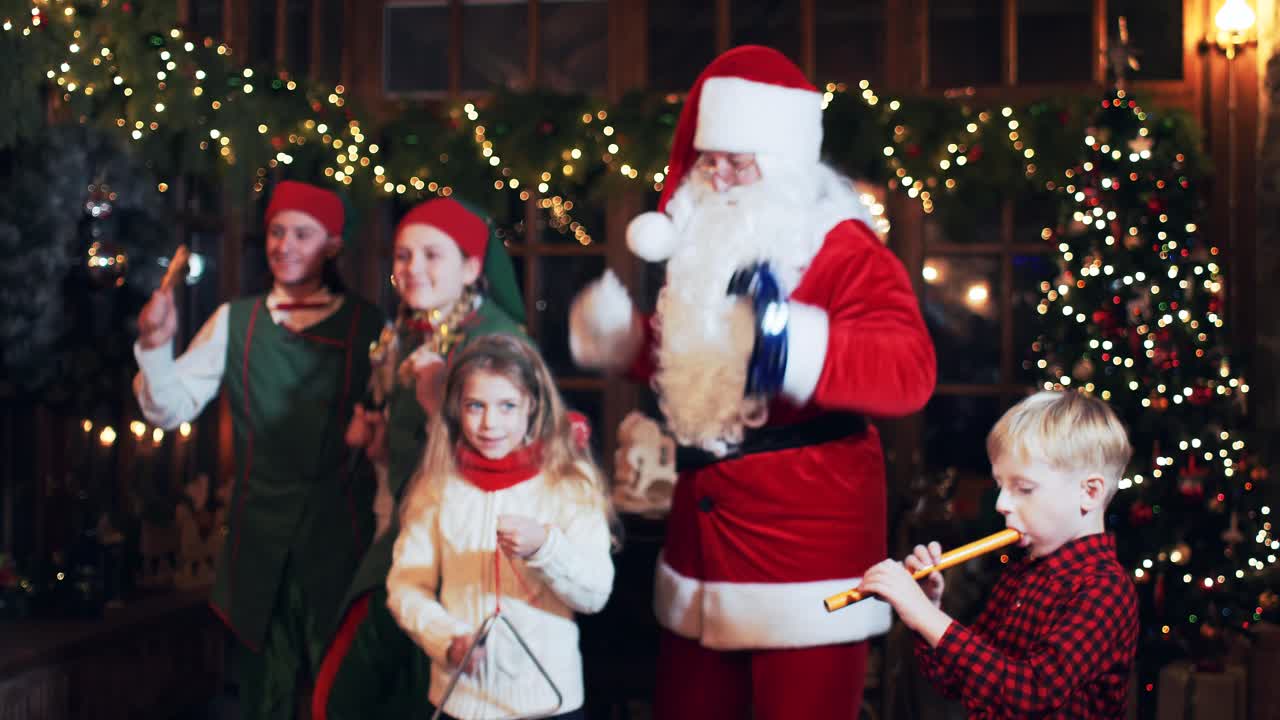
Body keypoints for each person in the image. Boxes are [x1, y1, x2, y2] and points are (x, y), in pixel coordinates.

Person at [569, 45, 937, 718]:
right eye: (712, 160)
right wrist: (630, 343)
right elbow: (710, 361)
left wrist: (789, 343)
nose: (724, 177)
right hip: (700, 547)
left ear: (789, 162)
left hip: (803, 553)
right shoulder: (711, 238)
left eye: (742, 160)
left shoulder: (842, 246)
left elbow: (909, 371)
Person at [132, 180, 384, 718]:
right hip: (256, 548)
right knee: (261, 700)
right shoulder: (235, 321)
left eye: (302, 233)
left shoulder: (370, 328)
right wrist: (155, 347)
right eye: (276, 231)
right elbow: (169, 408)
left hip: (343, 544)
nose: (285, 245)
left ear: (333, 245)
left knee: (343, 699)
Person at [311, 197, 528, 720]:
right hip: (408, 530)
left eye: (433, 255)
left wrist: (436, 407)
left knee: (347, 690)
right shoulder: (414, 329)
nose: (413, 269)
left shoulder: (494, 343)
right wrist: (382, 441)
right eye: (404, 256)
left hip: (458, 548)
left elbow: (506, 464)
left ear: (472, 268)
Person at [860, 390, 1139, 719]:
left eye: (1023, 488)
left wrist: (926, 616)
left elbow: (1031, 695)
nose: (1001, 504)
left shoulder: (1104, 590)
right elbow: (955, 681)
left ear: (1089, 492)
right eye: (1000, 486)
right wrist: (929, 606)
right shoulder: (1022, 574)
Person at [385, 334, 615, 720]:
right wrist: (448, 640)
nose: (490, 423)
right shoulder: (437, 485)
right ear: (457, 409)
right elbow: (406, 586)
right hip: (461, 702)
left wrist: (546, 548)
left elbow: (595, 594)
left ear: (532, 406)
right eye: (476, 406)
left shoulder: (570, 484)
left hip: (549, 701)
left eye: (507, 406)